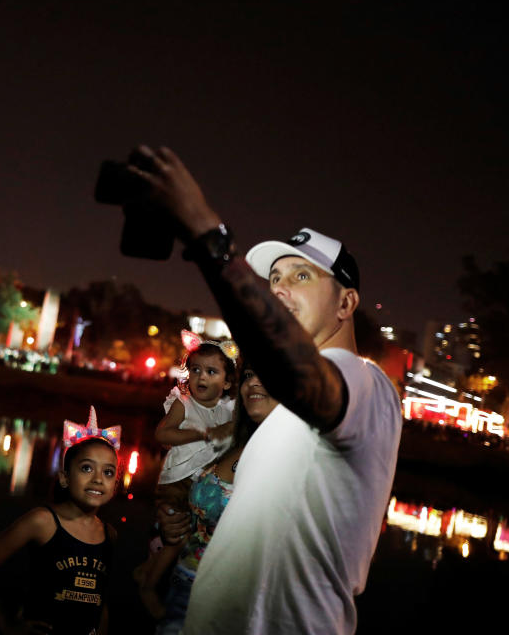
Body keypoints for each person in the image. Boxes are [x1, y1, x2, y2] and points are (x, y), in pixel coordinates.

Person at [126, 146, 402, 633]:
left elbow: (295, 369)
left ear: (347, 303)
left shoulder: (366, 385)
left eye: (301, 276)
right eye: (273, 278)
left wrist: (204, 232)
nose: (279, 289)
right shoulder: (283, 418)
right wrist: (184, 526)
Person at [151, 366, 277, 635]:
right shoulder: (233, 438)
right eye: (248, 375)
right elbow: (188, 490)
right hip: (180, 587)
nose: (254, 381)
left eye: (266, 374)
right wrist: (171, 518)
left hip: (228, 608)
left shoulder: (291, 459)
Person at [0, 407, 120, 635]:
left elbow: (101, 600)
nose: (98, 479)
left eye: (108, 472)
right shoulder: (43, 521)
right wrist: (6, 625)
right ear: (64, 477)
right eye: (87, 468)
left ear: (115, 485)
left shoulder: (108, 534)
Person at [137, 332, 237, 616]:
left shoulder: (228, 410)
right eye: (195, 370)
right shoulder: (185, 402)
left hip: (202, 485)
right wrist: (198, 433)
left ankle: (147, 571)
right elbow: (162, 433)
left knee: (192, 538)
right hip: (176, 482)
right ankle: (147, 588)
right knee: (176, 537)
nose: (201, 377)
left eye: (211, 371)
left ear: (227, 382)